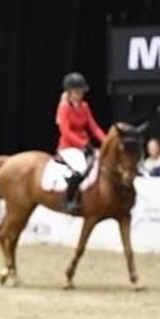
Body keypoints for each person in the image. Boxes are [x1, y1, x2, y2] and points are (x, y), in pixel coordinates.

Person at [54, 71, 106, 213]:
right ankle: (68, 200)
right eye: (78, 91)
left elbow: (93, 127)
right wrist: (82, 143)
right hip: (68, 146)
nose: (81, 94)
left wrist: (106, 141)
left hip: (84, 145)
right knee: (80, 167)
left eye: (82, 91)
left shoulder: (84, 106)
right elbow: (66, 132)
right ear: (70, 92)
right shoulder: (64, 108)